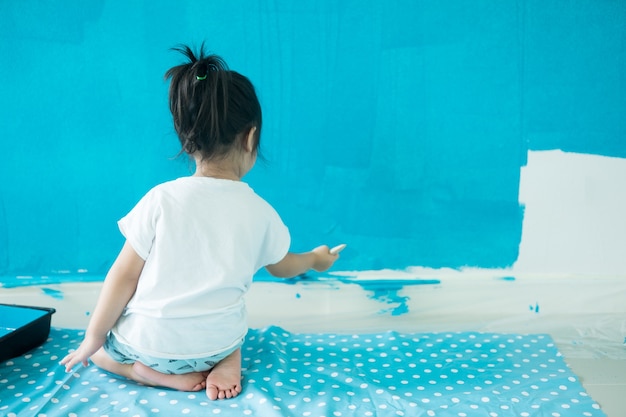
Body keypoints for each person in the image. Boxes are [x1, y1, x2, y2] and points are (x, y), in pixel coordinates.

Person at [60, 44, 341, 401]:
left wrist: (93, 338)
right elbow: (284, 267)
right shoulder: (260, 212)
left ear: (186, 138)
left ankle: (141, 373)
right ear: (251, 137)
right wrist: (316, 258)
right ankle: (226, 360)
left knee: (99, 352)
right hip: (212, 343)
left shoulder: (160, 200)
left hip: (147, 346)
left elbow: (124, 276)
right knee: (230, 320)